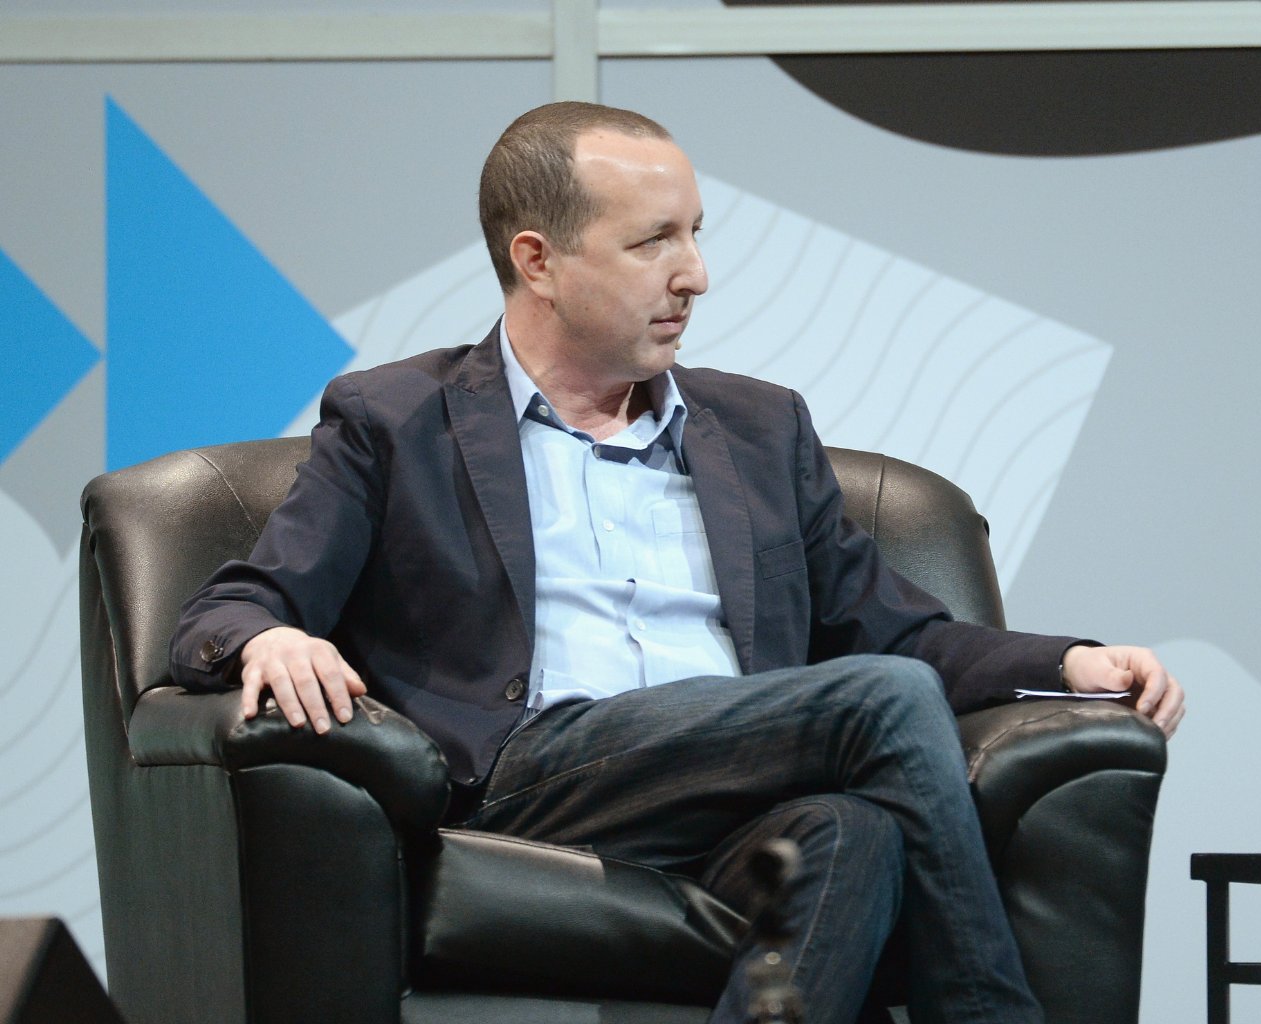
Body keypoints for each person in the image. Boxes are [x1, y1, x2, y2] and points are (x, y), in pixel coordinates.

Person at [170, 101, 1185, 1024]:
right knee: (881, 699)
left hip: (742, 789)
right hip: (536, 776)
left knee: (856, 833)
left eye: (696, 233)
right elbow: (229, 610)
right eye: (654, 240)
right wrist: (270, 638)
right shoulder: (397, 420)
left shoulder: (760, 427)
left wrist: (1065, 664)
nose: (694, 273)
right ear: (538, 260)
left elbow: (899, 633)